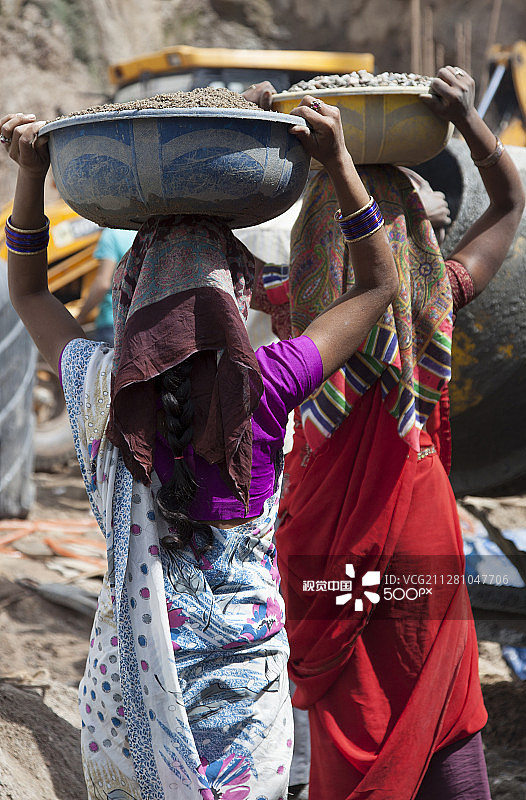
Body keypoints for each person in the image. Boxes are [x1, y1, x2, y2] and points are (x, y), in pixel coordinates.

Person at [1, 95, 398, 799]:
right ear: (238, 295)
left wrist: (31, 175)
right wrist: (337, 161)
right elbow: (379, 285)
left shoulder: (100, 390)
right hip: (245, 688)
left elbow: (30, 291)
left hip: (134, 688)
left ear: (128, 293)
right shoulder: (269, 385)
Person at [268, 67, 525, 800]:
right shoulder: (438, 293)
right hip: (420, 530)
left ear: (312, 248)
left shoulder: (297, 331)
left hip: (324, 542)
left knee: (354, 710)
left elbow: (198, 255)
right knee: (434, 695)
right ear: (417, 235)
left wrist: (261, 138)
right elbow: (508, 202)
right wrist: (471, 121)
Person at [76, 226, 137, 345]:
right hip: (141, 321)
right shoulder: (146, 233)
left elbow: (102, 283)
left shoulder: (111, 235)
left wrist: (81, 317)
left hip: (112, 322)